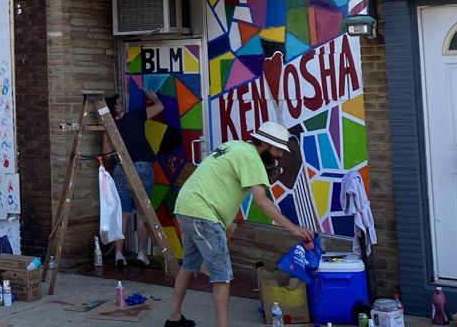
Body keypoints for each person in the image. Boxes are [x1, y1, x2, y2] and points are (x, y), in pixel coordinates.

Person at [165, 122, 314, 327]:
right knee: (222, 277)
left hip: (186, 206)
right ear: (266, 145)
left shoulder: (236, 146)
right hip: (203, 214)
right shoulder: (251, 157)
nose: (280, 155)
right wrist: (293, 228)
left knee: (189, 266)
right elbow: (262, 201)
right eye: (278, 149)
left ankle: (174, 318)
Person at [102, 91, 162, 266]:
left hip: (122, 168)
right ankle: (142, 253)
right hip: (143, 166)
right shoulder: (135, 115)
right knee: (142, 212)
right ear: (118, 107)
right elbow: (160, 108)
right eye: (119, 103)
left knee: (124, 212)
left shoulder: (110, 126)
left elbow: (106, 154)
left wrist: (106, 131)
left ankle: (119, 254)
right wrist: (155, 99)